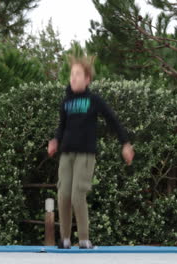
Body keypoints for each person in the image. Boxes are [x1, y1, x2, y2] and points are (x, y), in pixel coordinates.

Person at [47, 55, 134, 249]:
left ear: (87, 80)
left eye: (78, 74)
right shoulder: (66, 103)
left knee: (78, 194)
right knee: (63, 194)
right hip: (66, 154)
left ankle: (84, 239)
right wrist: (55, 140)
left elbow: (113, 120)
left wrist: (125, 143)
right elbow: (62, 126)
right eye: (72, 74)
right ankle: (66, 238)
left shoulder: (94, 100)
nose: (74, 78)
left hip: (85, 154)